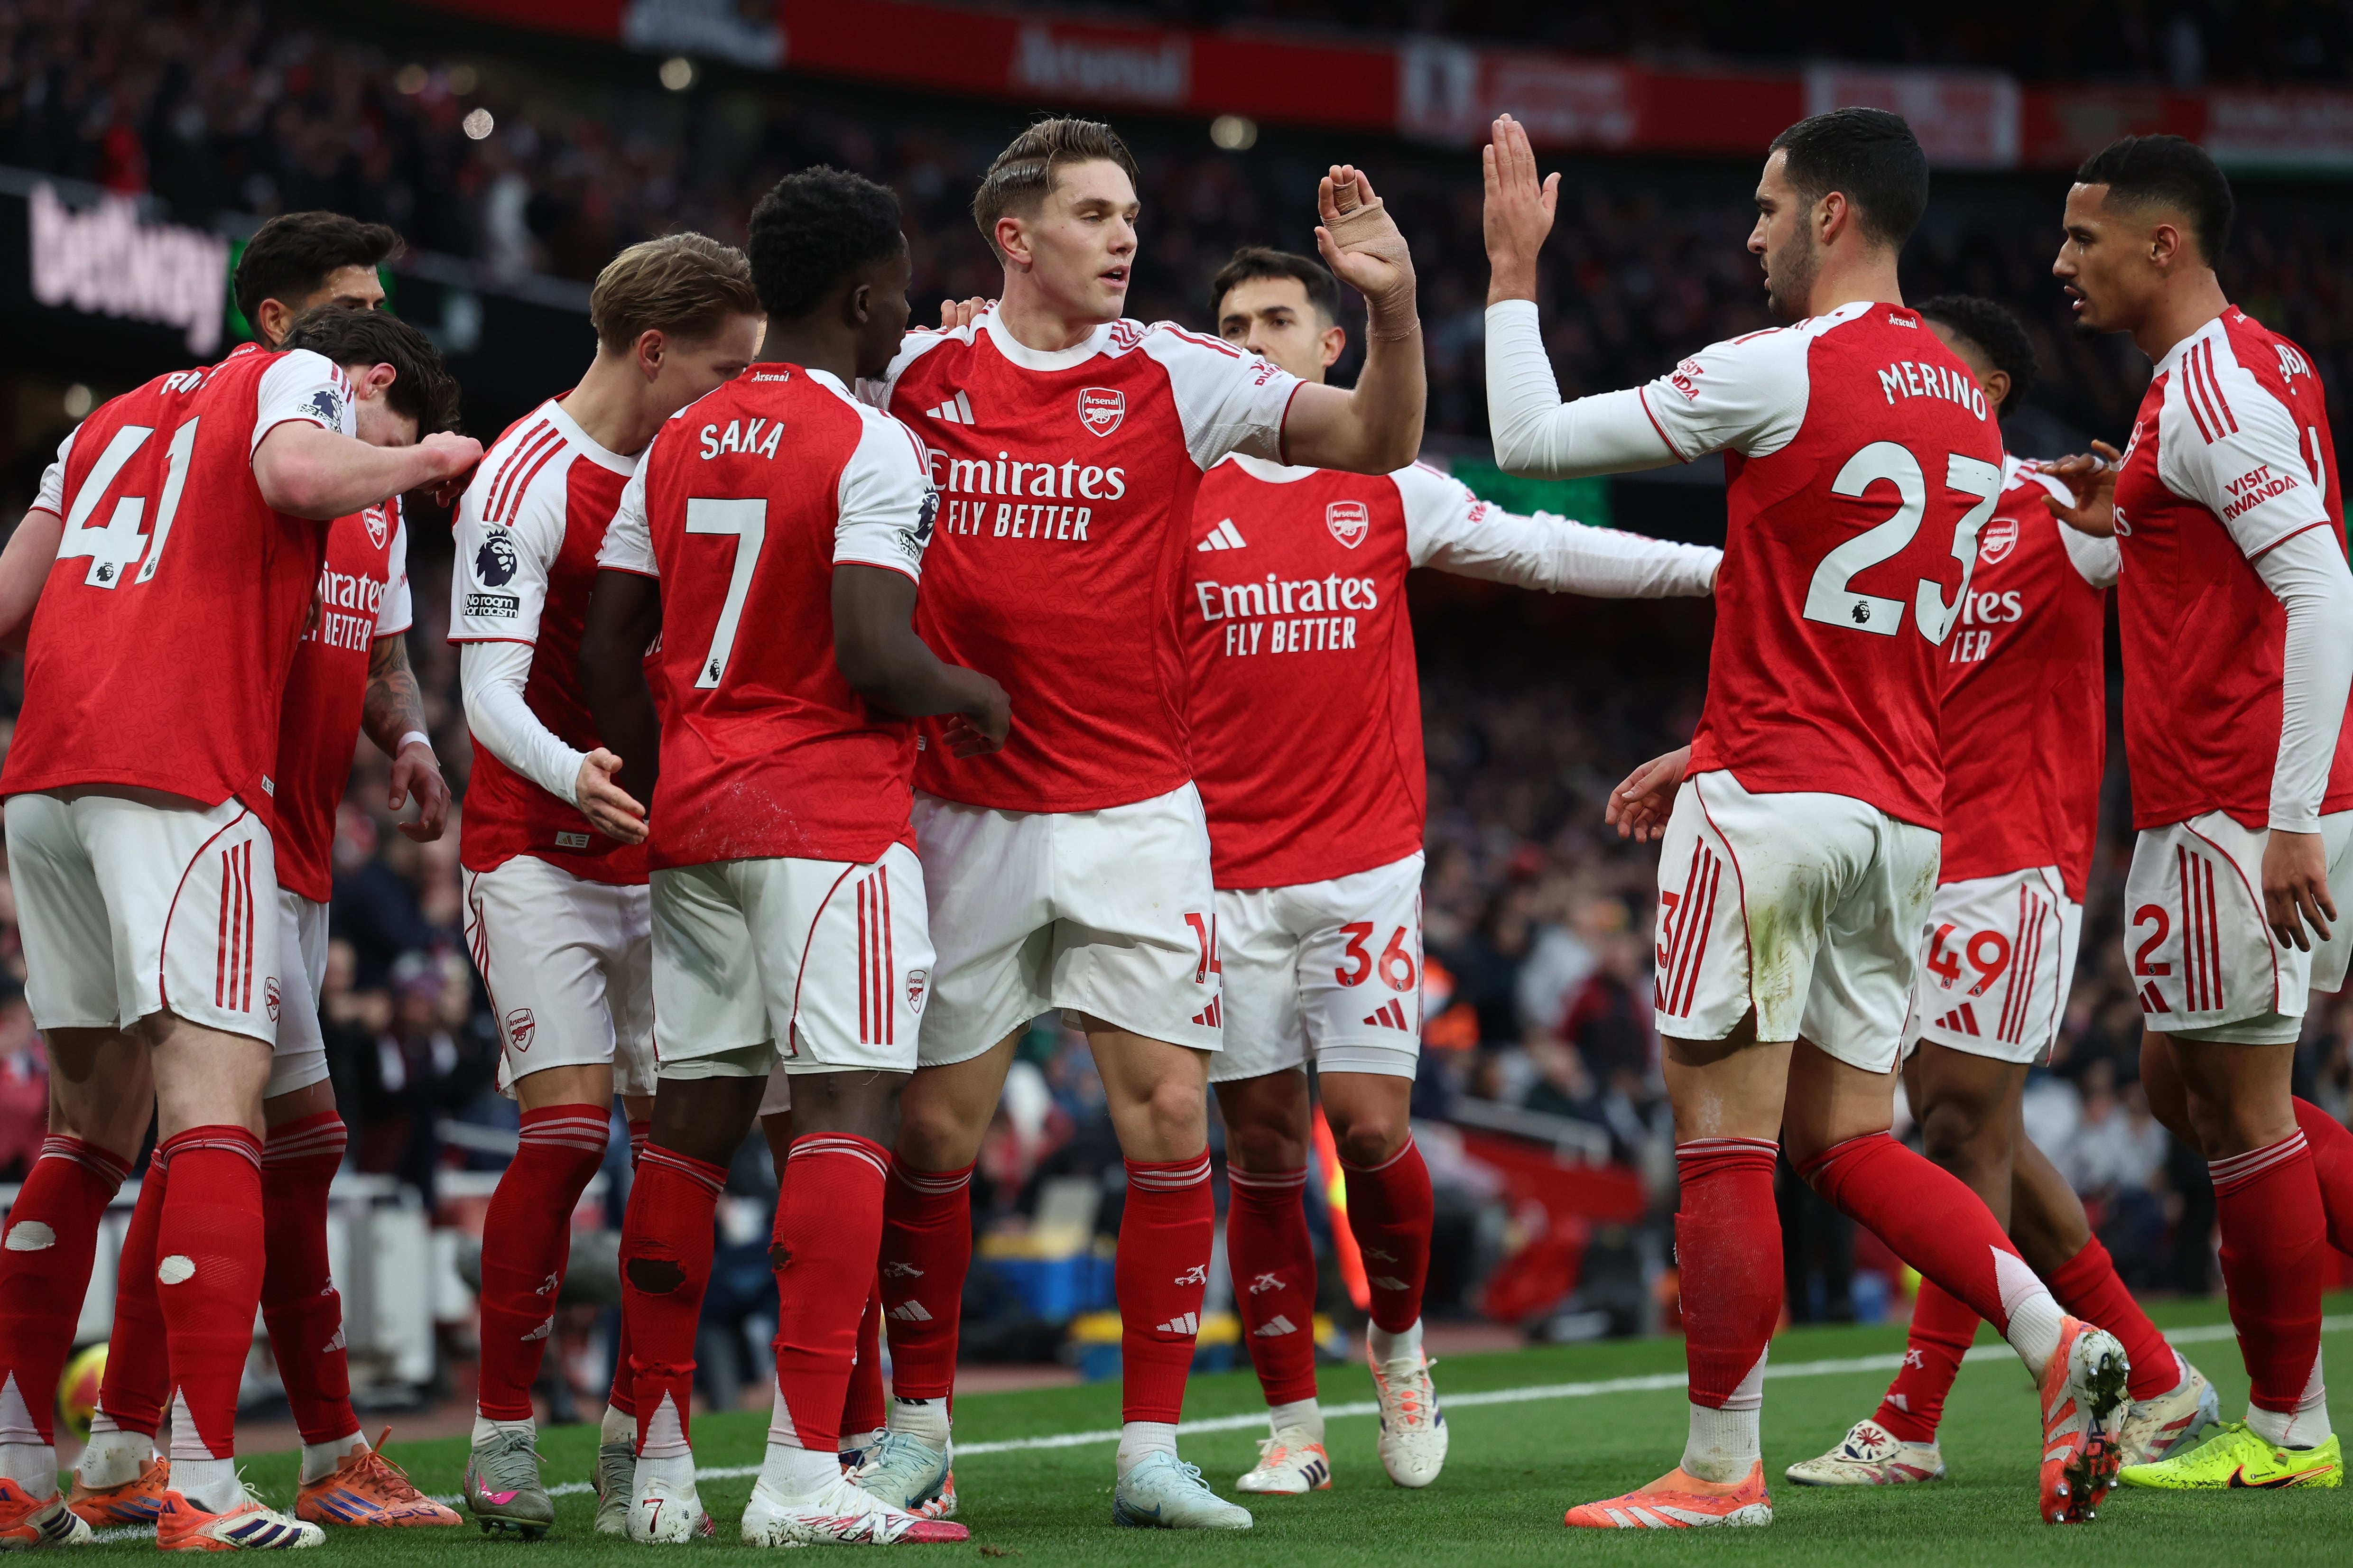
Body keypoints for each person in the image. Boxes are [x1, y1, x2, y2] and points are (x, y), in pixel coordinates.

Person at [1485, 107, 2129, 1530]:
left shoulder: (1780, 367)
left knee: (1724, 1138)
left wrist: (1514, 271)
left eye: (1770, 207)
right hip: (1903, 819)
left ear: (1834, 215)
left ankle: (1719, 1472)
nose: (1754, 233)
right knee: (1849, 1140)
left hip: (1774, 800)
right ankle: (2056, 1337)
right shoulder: (1968, 409)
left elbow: (1527, 437)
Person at [853, 116, 1427, 1532]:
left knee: (1172, 1117)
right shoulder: (918, 370)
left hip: (1138, 815)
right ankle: (919, 1433)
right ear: (1014, 237)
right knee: (932, 1132)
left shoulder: (1177, 370)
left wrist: (1394, 308)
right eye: (1097, 213)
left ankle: (1151, 1452)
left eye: (1130, 213)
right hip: (965, 810)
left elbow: (1373, 438)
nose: (1125, 235)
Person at [1189, 246, 1720, 1497]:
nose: (1250, 340)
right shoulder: (1175, 486)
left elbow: (1545, 550)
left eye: (1276, 318)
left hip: (1364, 869)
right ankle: (1291, 1426)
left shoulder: (1388, 485)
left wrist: (1713, 571)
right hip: (1216, 873)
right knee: (1262, 1150)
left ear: (1333, 348)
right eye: (1229, 324)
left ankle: (1401, 1345)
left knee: (1372, 1130)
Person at [0, 300, 479, 1550]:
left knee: (90, 1127)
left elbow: (9, 601)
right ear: (359, 371)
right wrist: (430, 458)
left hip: (48, 780)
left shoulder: (108, 420)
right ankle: (199, 1484)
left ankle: (21, 1465)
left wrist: (412, 736)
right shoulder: (302, 393)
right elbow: (297, 464)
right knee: (221, 1116)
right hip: (189, 780)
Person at [579, 165, 1000, 1547]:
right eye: (896, 293)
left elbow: (604, 645)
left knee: (691, 1136)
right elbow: (878, 653)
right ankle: (803, 1472)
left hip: (696, 819)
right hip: (827, 825)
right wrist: (972, 694)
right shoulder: (871, 444)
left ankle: (653, 1466)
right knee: (847, 1117)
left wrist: (677, 764)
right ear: (868, 294)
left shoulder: (679, 437)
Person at [1781, 295, 2217, 1489]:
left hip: (2011, 864)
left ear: (1991, 395)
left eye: (1944, 372)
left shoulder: (2051, 504)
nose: (1913, 387)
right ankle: (2159, 1380)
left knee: (1959, 1123)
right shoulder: (1871, 516)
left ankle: (1914, 1421)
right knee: (1974, 1139)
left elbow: (2150, 544)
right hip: (1896, 863)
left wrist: (2128, 503)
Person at [2035, 134, 2351, 1491]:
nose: (2060, 262)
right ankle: (2291, 1408)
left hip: (2240, 800)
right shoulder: (2243, 370)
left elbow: (2324, 588)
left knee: (2242, 1105)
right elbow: (2197, 571)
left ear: (2164, 244)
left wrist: (2283, 816)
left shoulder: (2216, 392)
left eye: (2082, 238)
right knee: (2184, 1082)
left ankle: (2286, 1430)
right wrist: (2119, 523)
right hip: (2241, 791)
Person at [448, 234, 762, 1536]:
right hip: (536, 845)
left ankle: (649, 1425)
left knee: (680, 1149)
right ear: (652, 352)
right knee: (570, 1135)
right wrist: (575, 773)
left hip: (671, 855)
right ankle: (503, 1435)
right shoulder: (524, 476)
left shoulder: (707, 463)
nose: (741, 388)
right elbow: (485, 688)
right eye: (723, 365)